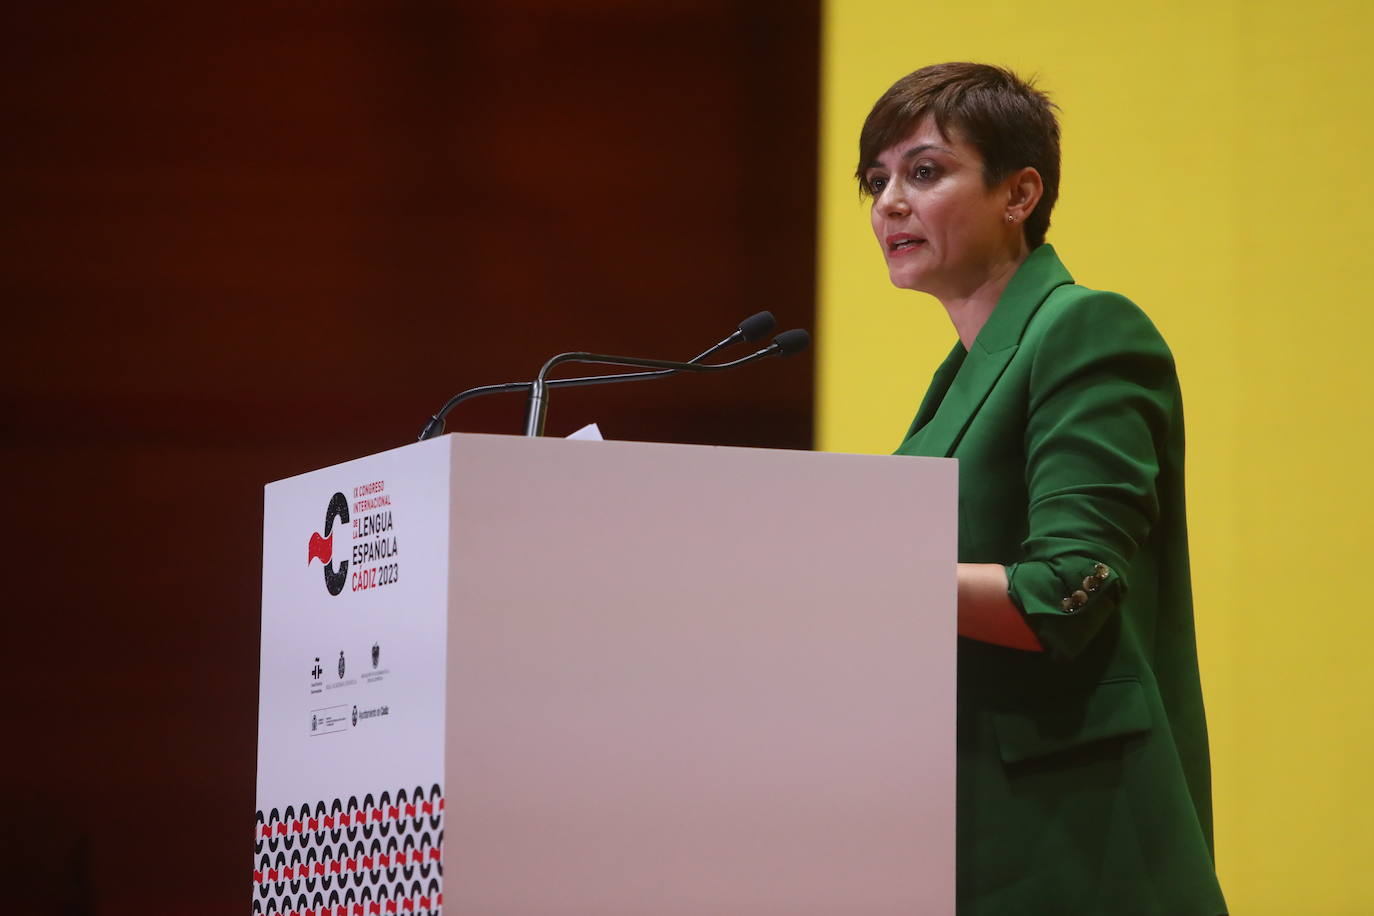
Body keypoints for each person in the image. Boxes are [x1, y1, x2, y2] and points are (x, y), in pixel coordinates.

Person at [856, 63, 1227, 915]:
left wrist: (854, 581)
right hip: (955, 824)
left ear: (1019, 192)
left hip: (1074, 838)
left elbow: (1068, 591)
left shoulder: (1085, 329)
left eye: (923, 171)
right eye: (876, 182)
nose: (888, 204)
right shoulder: (960, 378)